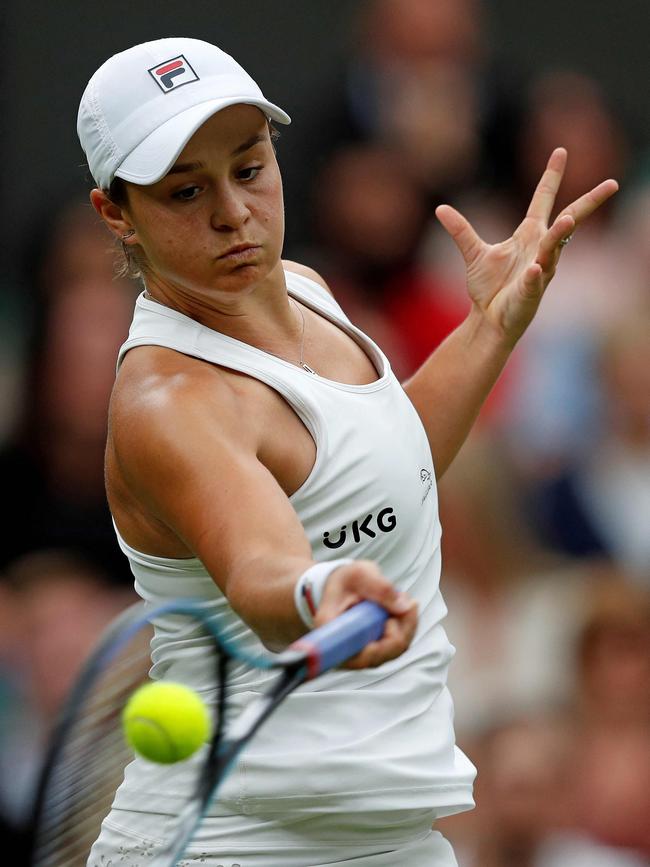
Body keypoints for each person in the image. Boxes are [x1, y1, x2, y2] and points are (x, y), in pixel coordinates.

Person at [77, 37, 617, 867]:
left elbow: (387, 472)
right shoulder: (171, 401)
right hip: (237, 844)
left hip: (389, 839)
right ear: (117, 213)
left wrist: (489, 329)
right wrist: (318, 590)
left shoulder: (307, 288)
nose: (233, 212)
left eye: (249, 168)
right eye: (186, 190)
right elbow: (263, 567)